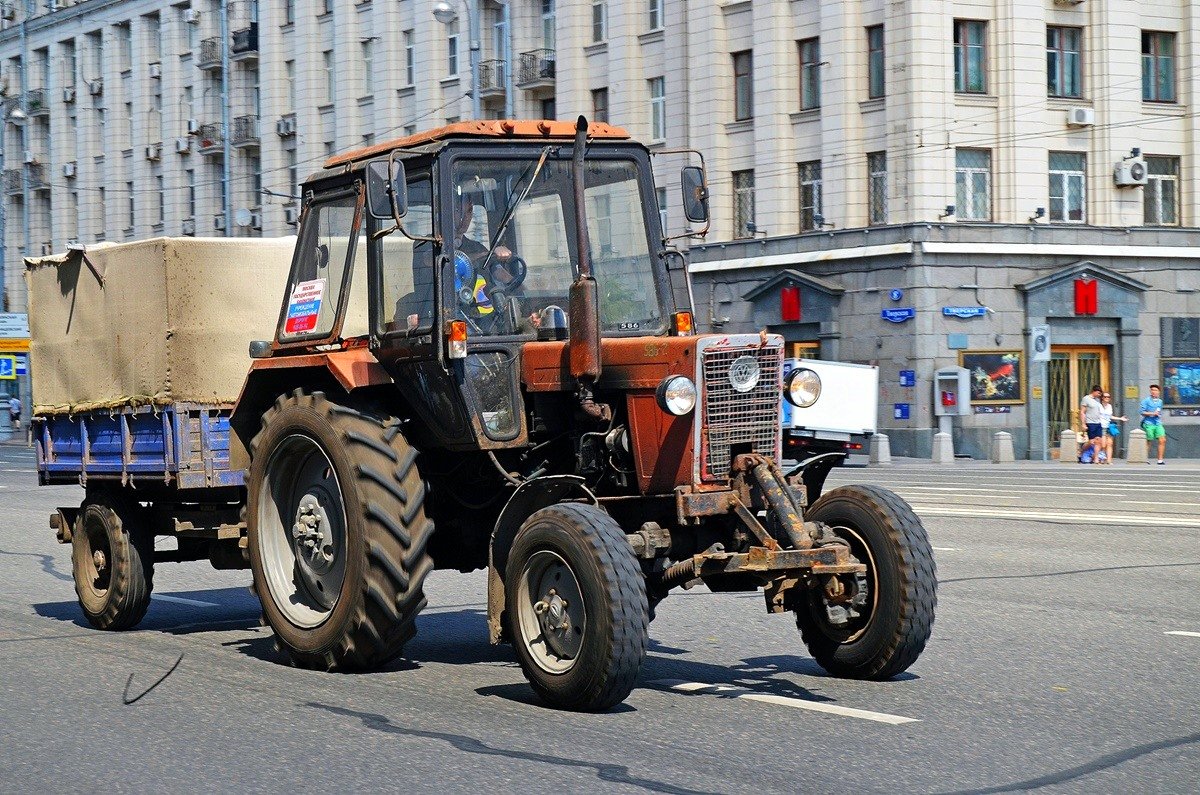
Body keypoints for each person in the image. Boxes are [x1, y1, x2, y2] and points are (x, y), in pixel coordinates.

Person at [1141, 383, 1166, 464]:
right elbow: (1142, 412)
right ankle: (1144, 459)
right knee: (1149, 440)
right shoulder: (1146, 401)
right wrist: (1152, 413)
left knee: (1162, 439)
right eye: (1152, 390)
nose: (1154, 392)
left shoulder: (1160, 401)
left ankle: (1160, 460)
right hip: (1148, 423)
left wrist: (1158, 414)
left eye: (1155, 390)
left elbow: (1159, 410)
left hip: (1158, 422)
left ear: (1159, 392)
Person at [1079, 385, 1104, 465]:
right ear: (1094, 391)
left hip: (1098, 423)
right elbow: (1082, 412)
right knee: (1092, 441)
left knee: (1098, 441)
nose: (1099, 395)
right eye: (1098, 393)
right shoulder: (1086, 399)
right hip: (1090, 422)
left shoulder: (1097, 400)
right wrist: (1083, 424)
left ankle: (1096, 458)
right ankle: (1081, 451)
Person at [1100, 391, 1127, 464]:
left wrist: (1120, 418)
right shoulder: (1099, 406)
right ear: (1102, 398)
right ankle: (1102, 457)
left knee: (1110, 443)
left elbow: (1110, 416)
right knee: (1103, 444)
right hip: (1101, 426)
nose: (1107, 398)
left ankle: (1109, 460)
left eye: (1108, 397)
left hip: (1108, 426)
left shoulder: (1109, 406)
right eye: (1105, 397)